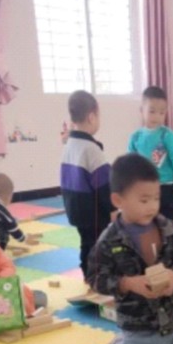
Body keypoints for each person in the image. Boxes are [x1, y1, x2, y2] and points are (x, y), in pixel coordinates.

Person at [90, 154, 173, 344]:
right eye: (144, 200)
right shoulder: (109, 240)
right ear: (118, 200)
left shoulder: (168, 227)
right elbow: (95, 277)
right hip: (139, 323)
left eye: (156, 198)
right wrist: (127, 283)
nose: (152, 206)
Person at [60, 90, 114, 279]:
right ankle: (96, 275)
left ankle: (87, 271)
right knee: (99, 242)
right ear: (91, 117)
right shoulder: (91, 149)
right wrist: (113, 208)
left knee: (86, 241)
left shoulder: (69, 144)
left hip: (74, 206)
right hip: (93, 209)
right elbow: (104, 184)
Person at [127, 86, 173, 230]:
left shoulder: (167, 135)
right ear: (141, 110)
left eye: (162, 113)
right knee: (148, 220)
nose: (157, 117)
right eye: (152, 111)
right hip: (144, 186)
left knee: (170, 222)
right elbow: (130, 165)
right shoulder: (136, 137)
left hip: (166, 186)